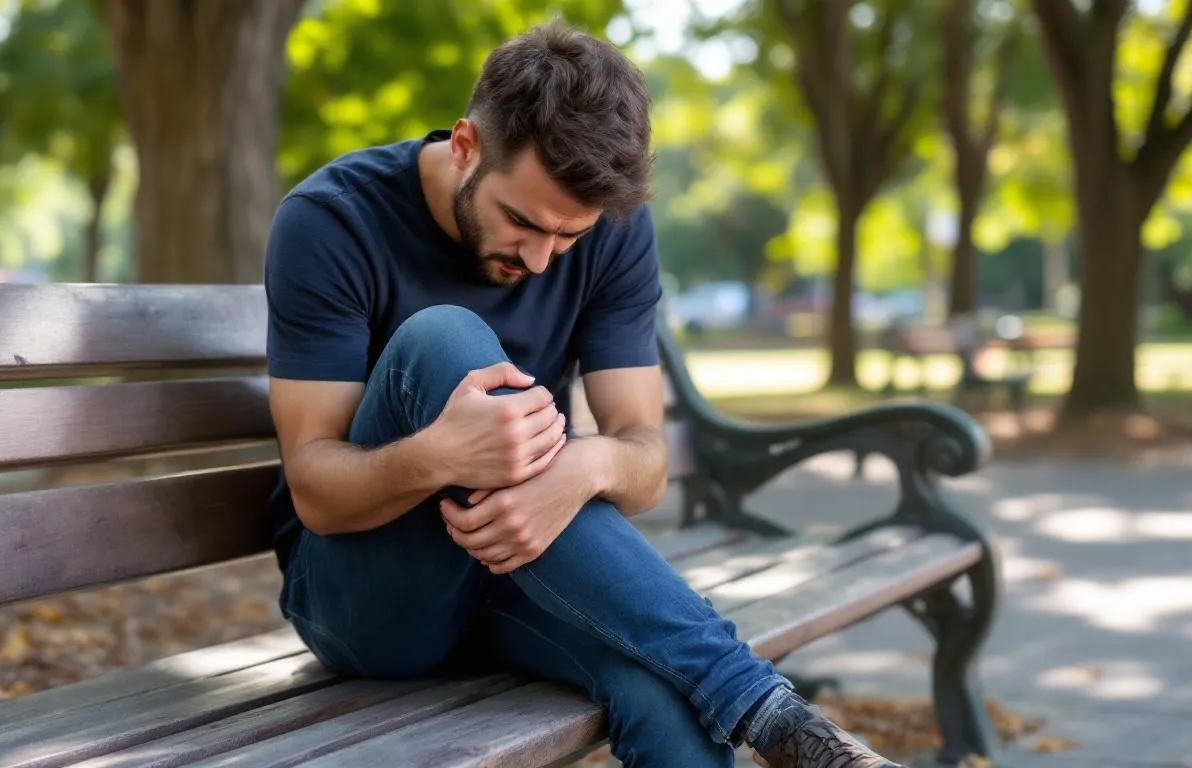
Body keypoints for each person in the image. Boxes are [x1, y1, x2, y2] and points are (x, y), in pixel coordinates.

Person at [261, 19, 900, 768]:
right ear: (465, 145)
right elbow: (317, 492)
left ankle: (773, 724)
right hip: (367, 603)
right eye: (523, 222)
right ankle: (765, 706)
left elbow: (644, 461)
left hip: (521, 574)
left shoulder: (615, 230)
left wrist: (582, 471)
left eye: (568, 238)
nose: (540, 259)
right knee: (443, 339)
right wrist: (438, 455)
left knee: (668, 688)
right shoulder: (333, 221)